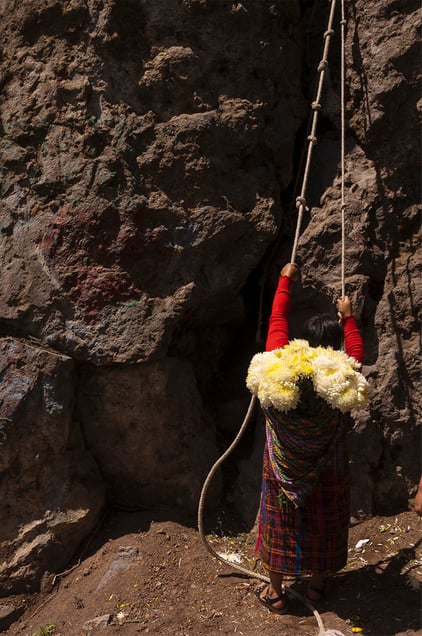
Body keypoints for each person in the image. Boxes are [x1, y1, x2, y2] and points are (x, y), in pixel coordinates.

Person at [254, 262, 365, 614]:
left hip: (281, 467)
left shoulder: (278, 370)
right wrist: (348, 317)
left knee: (278, 523)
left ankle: (275, 593)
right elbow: (357, 355)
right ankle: (316, 587)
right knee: (322, 520)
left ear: (303, 344)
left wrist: (285, 280)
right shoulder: (343, 379)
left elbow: (276, 322)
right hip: (327, 467)